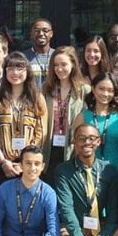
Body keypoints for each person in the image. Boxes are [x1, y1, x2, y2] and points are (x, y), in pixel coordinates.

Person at [0, 52, 47, 190]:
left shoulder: (37, 98)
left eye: (20, 68)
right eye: (10, 68)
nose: (15, 72)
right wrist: (3, 162)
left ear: (27, 71)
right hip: (3, 166)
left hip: (29, 167)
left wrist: (25, 162)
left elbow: (41, 133)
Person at [40, 46, 89, 184]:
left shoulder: (84, 90)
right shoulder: (46, 88)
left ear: (73, 64)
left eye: (64, 64)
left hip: (72, 148)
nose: (59, 69)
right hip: (49, 147)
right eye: (55, 65)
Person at [70, 72, 118, 175]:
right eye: (101, 89)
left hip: (117, 171)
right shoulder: (82, 116)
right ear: (93, 89)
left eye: (110, 90)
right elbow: (77, 148)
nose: (105, 94)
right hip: (89, 172)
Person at [24, 18, 54, 87]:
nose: (41, 34)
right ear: (31, 34)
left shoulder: (58, 55)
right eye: (37, 30)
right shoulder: (23, 57)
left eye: (45, 30)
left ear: (51, 34)